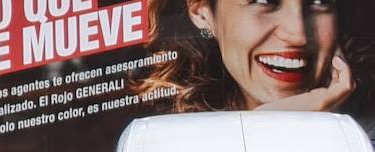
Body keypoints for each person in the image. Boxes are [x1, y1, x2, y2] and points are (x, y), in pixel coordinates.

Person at [133, 0, 357, 113]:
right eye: (263, 1)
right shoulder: (166, 140)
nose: (298, 35)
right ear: (202, 12)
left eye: (318, 1)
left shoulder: (370, 137)